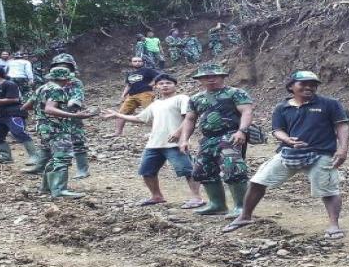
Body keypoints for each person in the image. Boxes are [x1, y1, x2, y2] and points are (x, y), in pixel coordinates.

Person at [222, 71, 349, 238]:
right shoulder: (282, 107)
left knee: (328, 190)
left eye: (313, 84)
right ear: (291, 86)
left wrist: (343, 149)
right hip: (289, 152)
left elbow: (342, 126)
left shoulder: (329, 104)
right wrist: (288, 140)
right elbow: (277, 130)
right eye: (303, 84)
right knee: (257, 181)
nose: (309, 87)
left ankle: (334, 225)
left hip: (320, 152)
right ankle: (244, 216)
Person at [102, 74, 206, 208]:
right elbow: (140, 118)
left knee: (187, 170)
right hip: (154, 143)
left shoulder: (182, 98)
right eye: (161, 83)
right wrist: (117, 114)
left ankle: (197, 198)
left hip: (174, 143)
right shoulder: (155, 104)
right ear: (156, 86)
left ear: (175, 85)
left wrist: (179, 133)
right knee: (146, 171)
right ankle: (156, 196)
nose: (165, 86)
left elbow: (189, 118)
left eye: (168, 83)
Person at [178, 63, 254, 218]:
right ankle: (217, 204)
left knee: (233, 169)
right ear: (200, 79)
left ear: (222, 77)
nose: (210, 79)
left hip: (230, 135)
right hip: (207, 139)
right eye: (206, 77)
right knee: (202, 170)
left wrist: (241, 131)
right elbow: (190, 119)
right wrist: (184, 139)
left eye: (214, 76)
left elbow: (246, 111)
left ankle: (241, 207)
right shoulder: (196, 98)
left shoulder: (236, 93)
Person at [22, 53, 93, 178]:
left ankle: (83, 169)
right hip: (53, 119)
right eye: (59, 66)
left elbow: (76, 98)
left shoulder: (75, 82)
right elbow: (34, 102)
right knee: (46, 143)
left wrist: (68, 109)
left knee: (77, 142)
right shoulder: (50, 84)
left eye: (65, 66)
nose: (62, 68)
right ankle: (40, 166)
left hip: (71, 115)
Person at [31, 67, 95, 198]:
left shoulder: (42, 88)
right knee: (62, 157)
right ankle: (59, 190)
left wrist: (41, 114)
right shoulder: (57, 89)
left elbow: (28, 105)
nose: (68, 80)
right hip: (56, 127)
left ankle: (46, 187)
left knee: (54, 157)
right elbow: (50, 109)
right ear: (63, 78)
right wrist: (73, 115)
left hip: (43, 127)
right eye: (67, 78)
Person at [115, 56, 159, 136]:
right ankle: (118, 132)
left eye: (139, 61)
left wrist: (152, 84)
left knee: (150, 113)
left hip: (145, 93)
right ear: (132, 63)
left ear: (142, 62)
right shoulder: (130, 74)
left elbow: (158, 76)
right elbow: (128, 85)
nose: (137, 62)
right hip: (132, 95)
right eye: (135, 61)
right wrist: (123, 95)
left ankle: (155, 131)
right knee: (121, 113)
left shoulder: (147, 70)